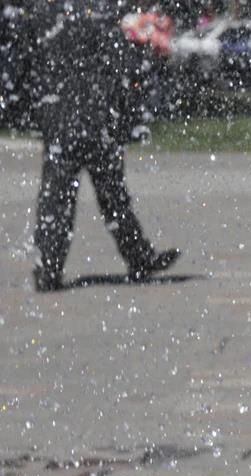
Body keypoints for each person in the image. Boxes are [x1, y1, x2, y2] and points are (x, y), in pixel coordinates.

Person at [30, 5, 178, 292]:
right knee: (114, 200)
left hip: (63, 125)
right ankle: (139, 257)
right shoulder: (108, 30)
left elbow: (37, 75)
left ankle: (48, 268)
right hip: (98, 126)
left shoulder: (54, 28)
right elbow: (129, 74)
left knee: (56, 201)